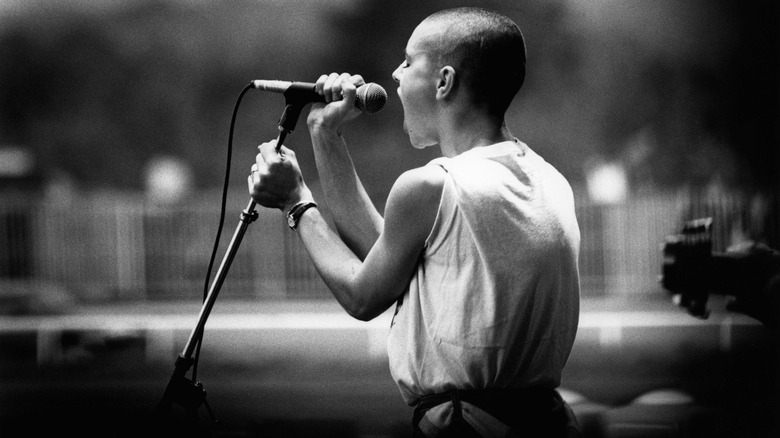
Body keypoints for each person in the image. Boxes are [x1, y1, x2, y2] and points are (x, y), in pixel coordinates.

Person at [248, 7, 581, 437]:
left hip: (467, 427)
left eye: (408, 62)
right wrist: (325, 136)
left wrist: (295, 203)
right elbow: (385, 267)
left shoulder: (433, 185)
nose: (395, 74)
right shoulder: (550, 179)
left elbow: (363, 296)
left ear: (444, 81)